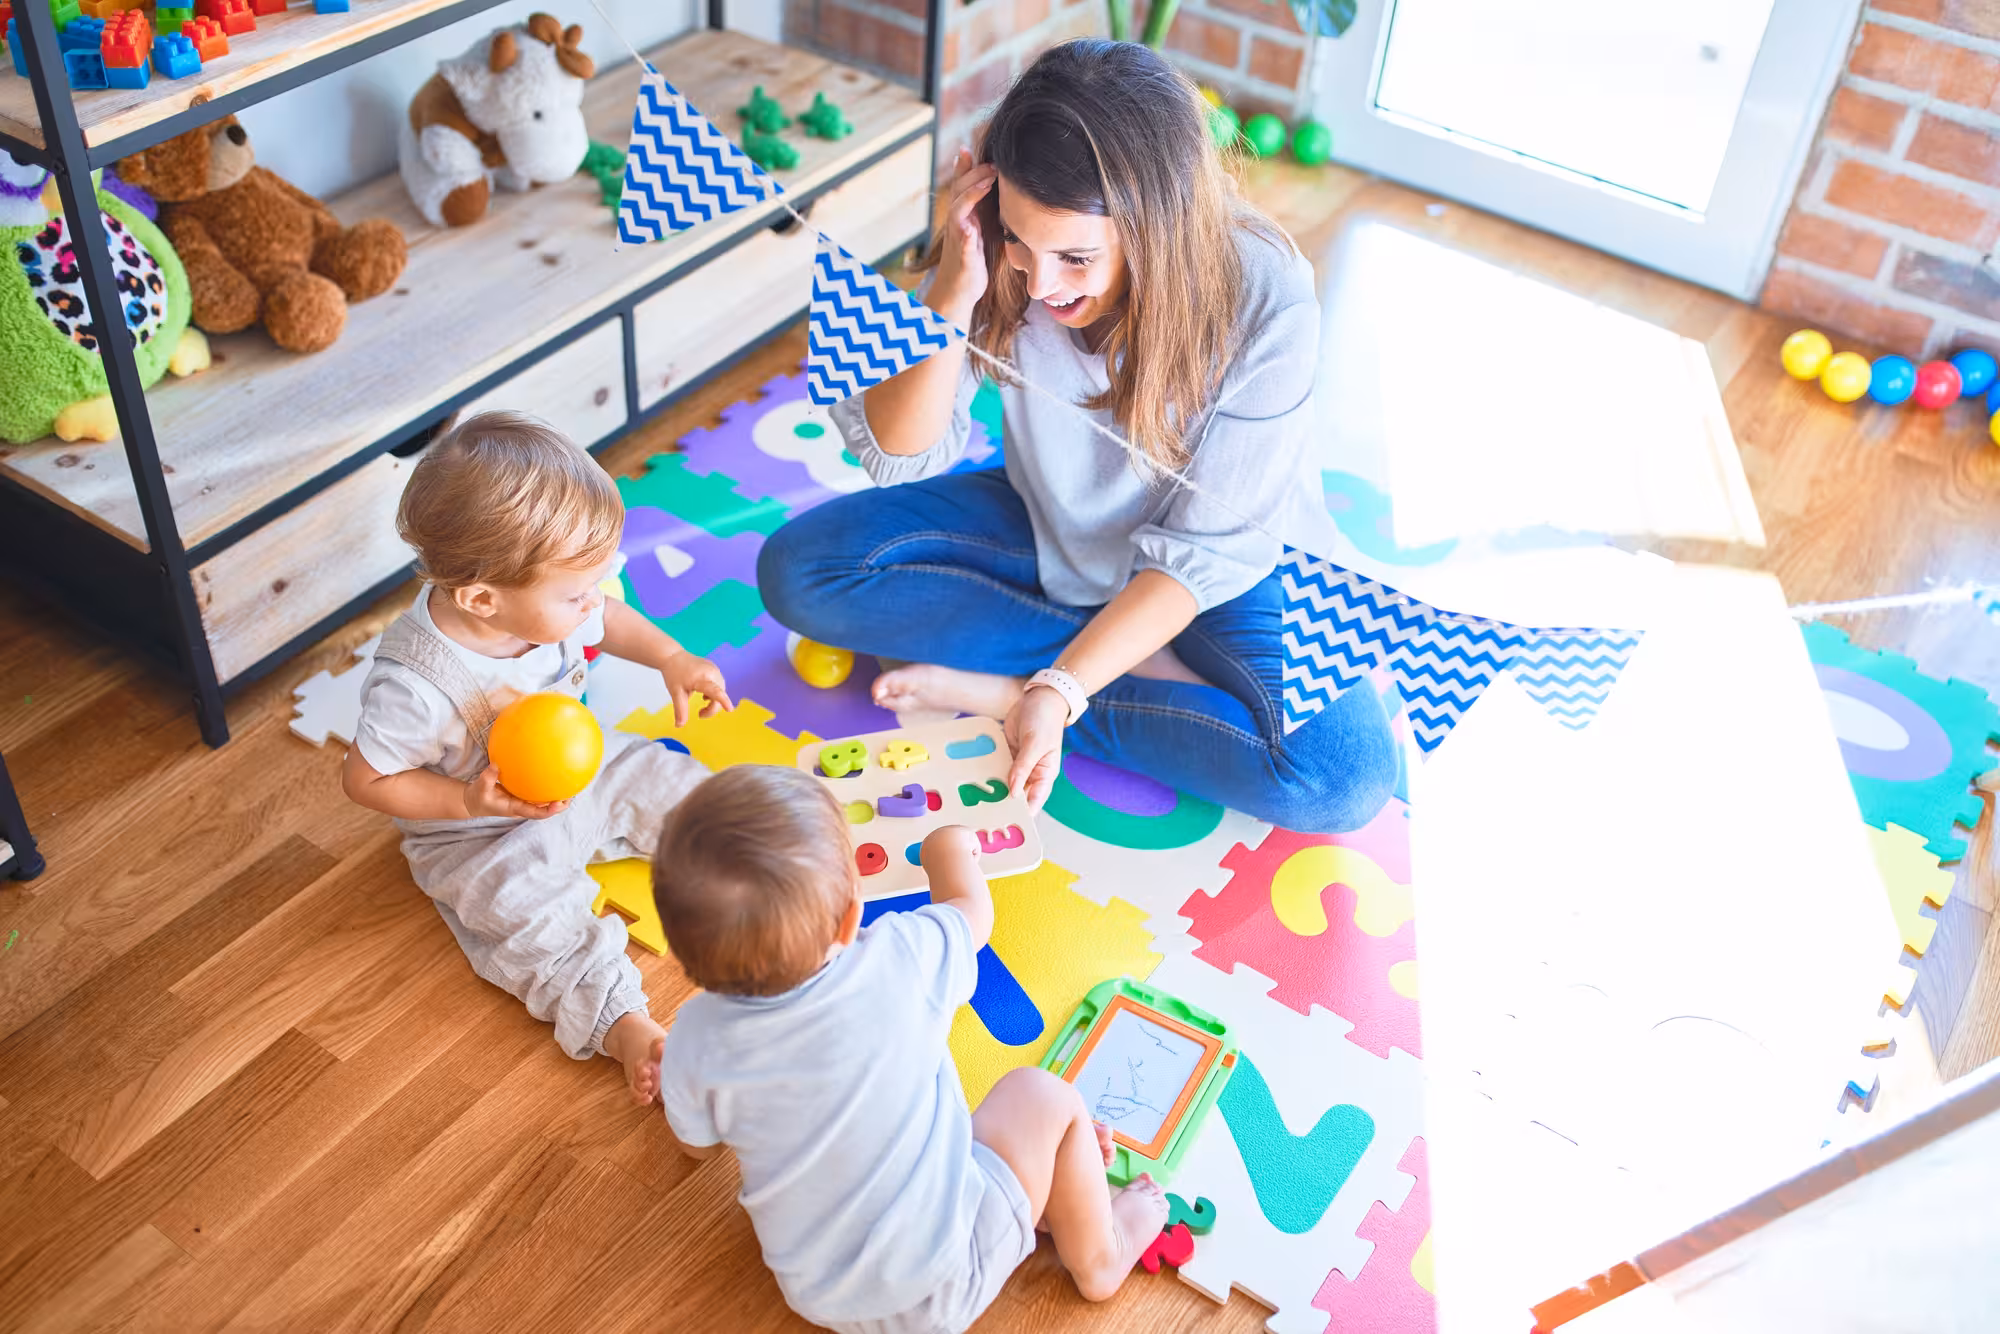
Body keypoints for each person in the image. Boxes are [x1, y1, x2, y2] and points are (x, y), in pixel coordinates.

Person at [759, 39, 1395, 834]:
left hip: (1226, 572)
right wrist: (958, 283)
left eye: (1076, 257)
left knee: (1342, 777)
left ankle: (1012, 691)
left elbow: (1212, 554)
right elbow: (899, 452)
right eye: (1022, 242)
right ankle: (1115, 674)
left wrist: (1057, 693)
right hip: (1060, 532)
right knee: (801, 572)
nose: (1041, 283)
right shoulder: (998, 250)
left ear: (1156, 228)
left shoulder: (1267, 295)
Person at [653, 764, 1168, 1333]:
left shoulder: (693, 1038)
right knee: (1043, 1095)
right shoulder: (898, 959)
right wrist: (948, 850)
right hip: (948, 1280)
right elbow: (973, 915)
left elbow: (696, 1147)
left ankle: (1046, 1196)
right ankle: (1103, 1256)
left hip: (816, 1291)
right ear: (852, 918)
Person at [341, 411, 730, 1103]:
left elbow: (608, 617)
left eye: (593, 584)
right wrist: (464, 802)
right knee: (530, 922)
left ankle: (746, 853)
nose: (593, 603)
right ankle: (625, 1026)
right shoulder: (416, 686)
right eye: (576, 594)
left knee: (670, 782)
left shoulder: (553, 602)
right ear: (482, 600)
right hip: (481, 832)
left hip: (586, 770)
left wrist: (673, 657)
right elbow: (367, 778)